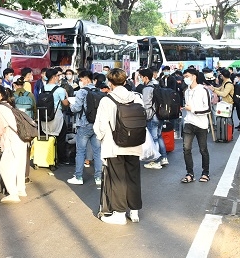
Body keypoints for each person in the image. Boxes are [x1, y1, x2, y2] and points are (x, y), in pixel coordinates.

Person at [93, 68, 143, 225]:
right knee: (133, 176)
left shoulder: (107, 100)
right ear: (125, 81)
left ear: (110, 83)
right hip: (135, 144)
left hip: (114, 146)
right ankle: (134, 212)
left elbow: (99, 126)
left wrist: (101, 139)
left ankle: (120, 213)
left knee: (118, 178)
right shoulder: (136, 98)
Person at [0, 85, 28, 203]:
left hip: (12, 139)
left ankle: (13, 194)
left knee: (4, 167)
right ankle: (21, 189)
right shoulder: (8, 105)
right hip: (22, 138)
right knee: (19, 166)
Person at [180, 67, 211, 184]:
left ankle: (205, 173)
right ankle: (190, 173)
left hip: (201, 124)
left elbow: (207, 109)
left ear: (194, 77)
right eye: (184, 77)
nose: (185, 79)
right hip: (188, 123)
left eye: (187, 76)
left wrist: (192, 110)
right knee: (186, 149)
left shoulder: (203, 90)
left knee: (203, 149)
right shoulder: (186, 91)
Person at [68, 70, 98, 185]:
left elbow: (76, 108)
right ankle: (98, 177)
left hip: (84, 124)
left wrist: (71, 105)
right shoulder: (97, 90)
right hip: (95, 124)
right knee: (97, 151)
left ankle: (78, 177)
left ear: (86, 79)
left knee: (80, 151)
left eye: (80, 79)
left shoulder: (81, 92)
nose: (80, 82)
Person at [137, 68, 168, 170]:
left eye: (141, 77)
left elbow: (146, 105)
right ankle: (164, 158)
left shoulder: (147, 89)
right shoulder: (157, 85)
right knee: (159, 136)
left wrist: (145, 117)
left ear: (145, 77)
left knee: (154, 138)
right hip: (160, 115)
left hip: (152, 116)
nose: (140, 79)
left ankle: (155, 161)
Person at [40, 68, 72, 164]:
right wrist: (68, 97)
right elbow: (65, 103)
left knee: (48, 136)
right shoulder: (60, 90)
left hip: (44, 116)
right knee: (61, 137)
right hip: (56, 116)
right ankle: (61, 159)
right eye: (58, 76)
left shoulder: (42, 88)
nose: (59, 77)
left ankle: (48, 157)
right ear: (54, 77)